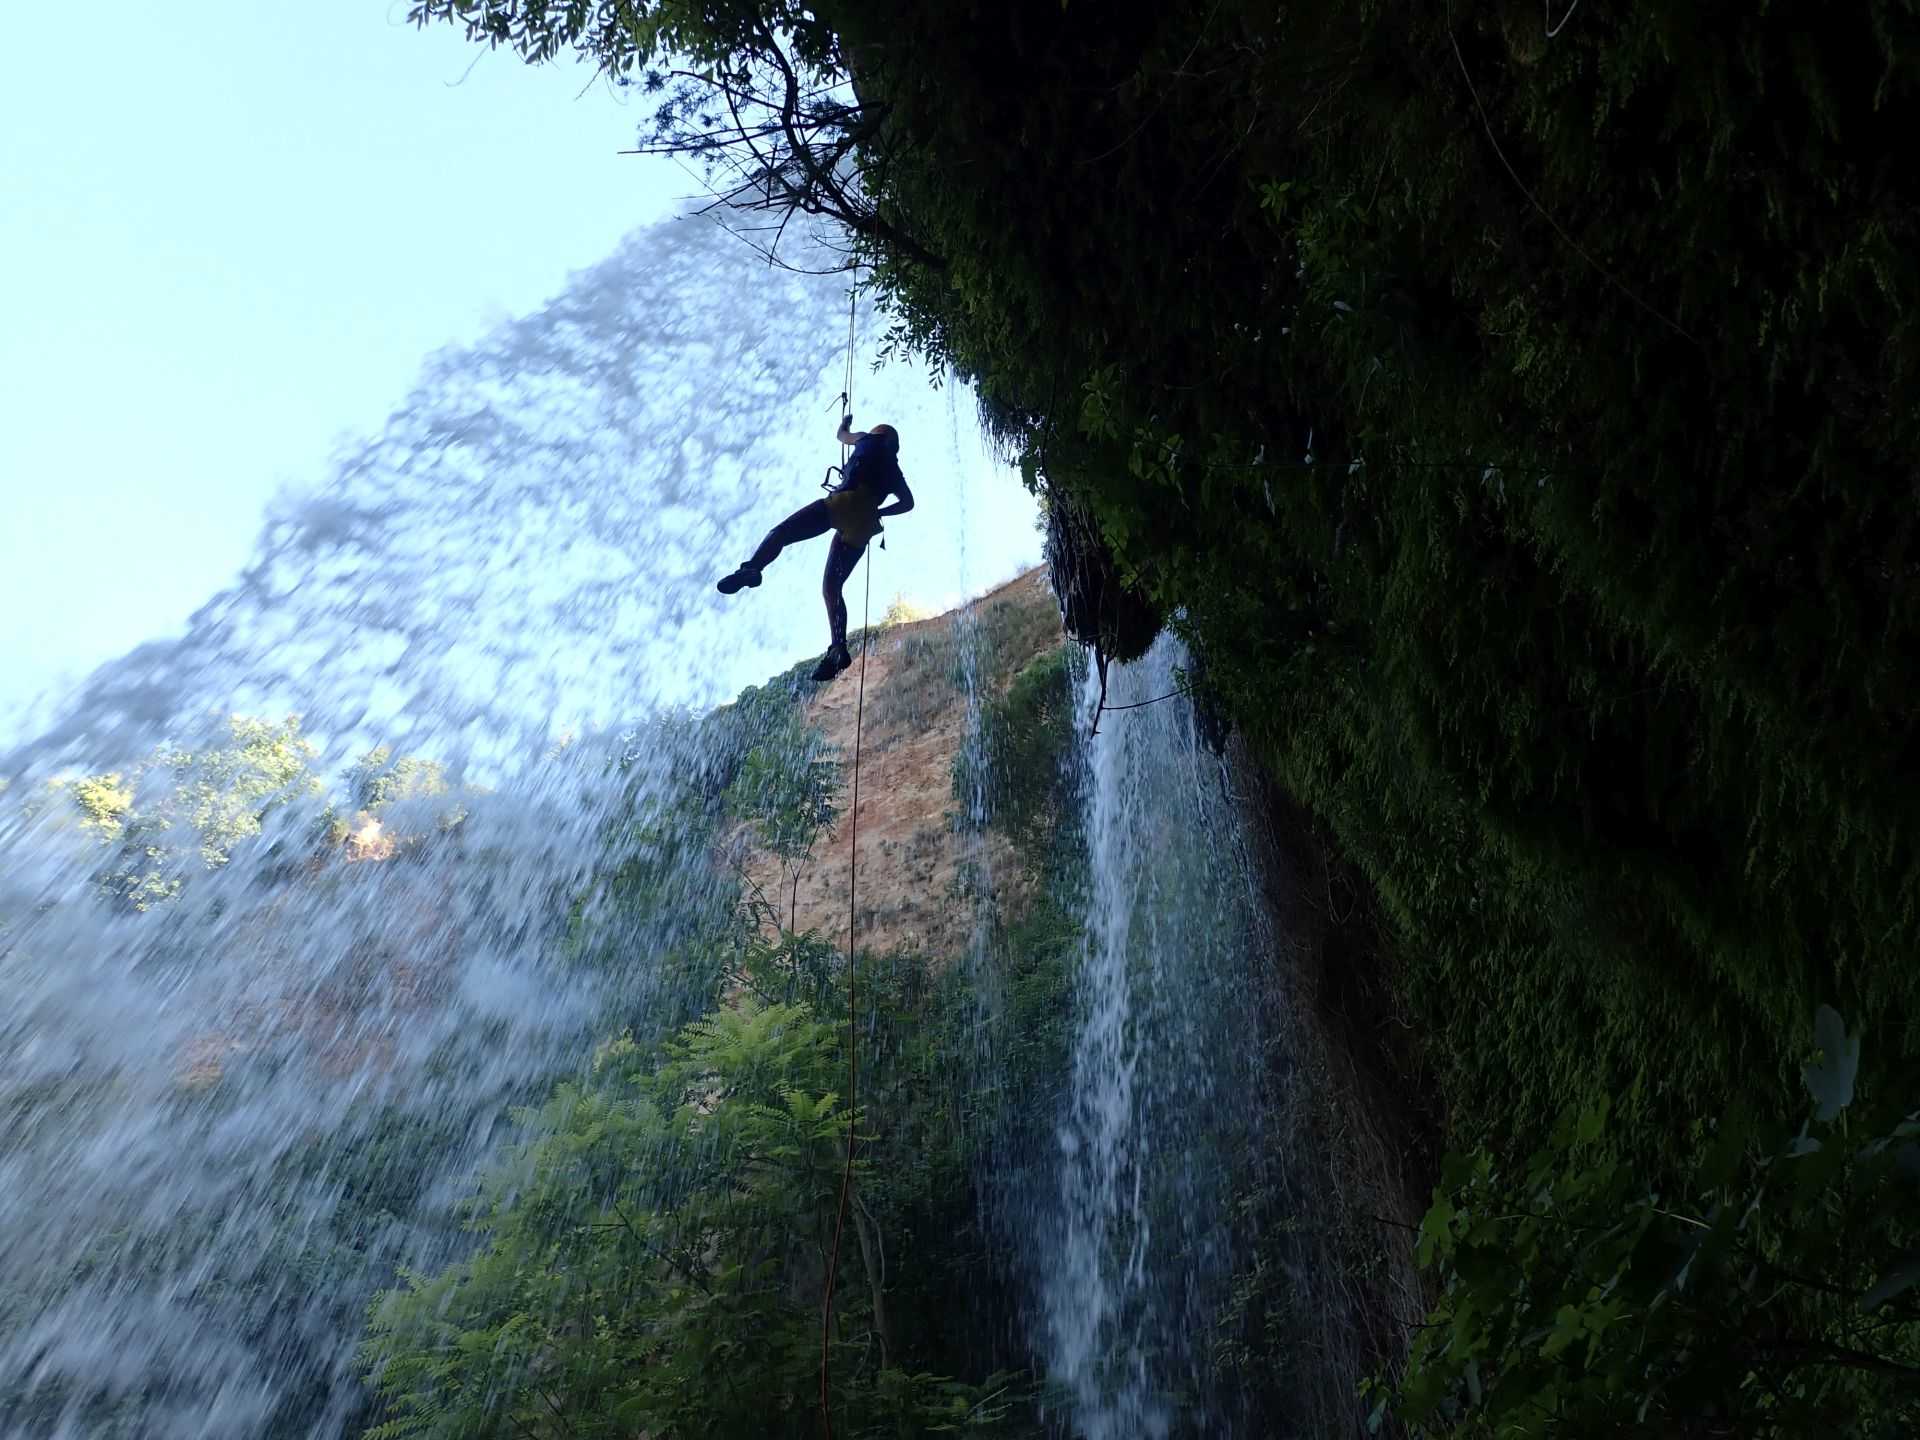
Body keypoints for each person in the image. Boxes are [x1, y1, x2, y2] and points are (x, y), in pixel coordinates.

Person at [717, 417, 915, 681]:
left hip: (845, 502)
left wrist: (844, 424)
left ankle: (752, 569)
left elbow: (842, 436)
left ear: (880, 433)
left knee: (782, 532)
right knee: (833, 587)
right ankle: (838, 648)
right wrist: (879, 510)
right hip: (865, 524)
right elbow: (908, 503)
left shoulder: (868, 439)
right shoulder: (894, 468)